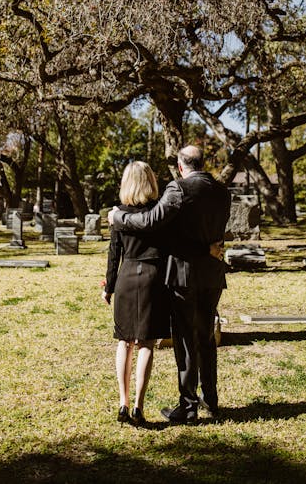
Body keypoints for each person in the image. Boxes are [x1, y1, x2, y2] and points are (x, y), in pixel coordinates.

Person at [109, 145, 231, 425]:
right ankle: (210, 400)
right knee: (206, 337)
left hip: (183, 275)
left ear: (180, 166)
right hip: (212, 273)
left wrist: (118, 218)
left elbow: (150, 221)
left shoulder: (178, 189)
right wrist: (207, 249)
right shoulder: (222, 191)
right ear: (203, 162)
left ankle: (188, 406)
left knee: (187, 339)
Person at [102, 161, 170, 427]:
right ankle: (139, 406)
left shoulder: (117, 214)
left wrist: (109, 286)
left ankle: (123, 402)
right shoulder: (159, 213)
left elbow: (113, 254)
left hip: (127, 276)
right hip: (153, 276)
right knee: (146, 344)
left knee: (124, 341)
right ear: (150, 181)